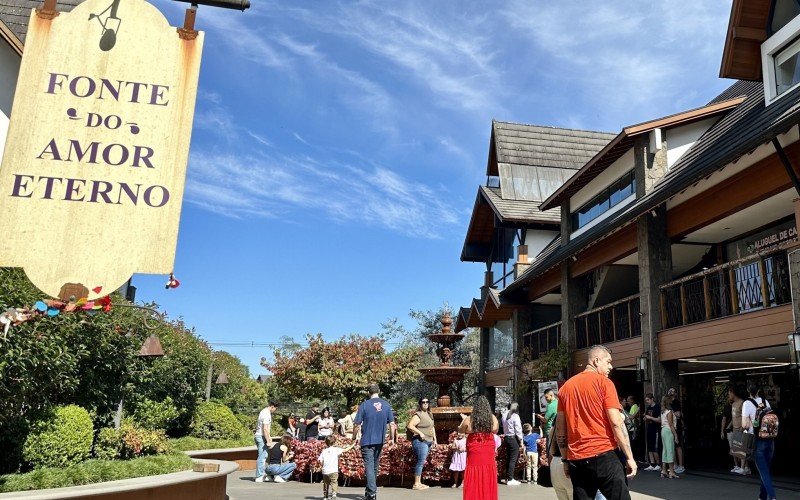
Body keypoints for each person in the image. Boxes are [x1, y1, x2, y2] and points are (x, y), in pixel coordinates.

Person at [556, 345, 636, 500]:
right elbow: (616, 423)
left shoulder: (566, 388)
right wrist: (629, 457)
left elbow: (561, 429)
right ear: (597, 361)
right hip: (604, 454)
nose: (611, 366)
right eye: (608, 362)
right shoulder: (604, 383)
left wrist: (565, 460)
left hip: (577, 459)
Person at [353, 383, 397, 500]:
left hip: (367, 441)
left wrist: (354, 437)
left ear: (369, 392)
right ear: (379, 391)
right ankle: (370, 492)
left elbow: (357, 425)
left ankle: (372, 492)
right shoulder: (386, 405)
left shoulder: (364, 405)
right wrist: (392, 439)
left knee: (369, 466)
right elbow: (392, 424)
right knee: (374, 466)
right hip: (380, 441)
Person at [458, 395, 499, 500]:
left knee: (473, 471)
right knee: (488, 470)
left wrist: (464, 421)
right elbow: (495, 429)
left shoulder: (469, 419)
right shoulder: (492, 418)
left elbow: (461, 430)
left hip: (474, 447)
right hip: (488, 446)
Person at [742, 385, 776, 500]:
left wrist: (748, 424)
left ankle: (773, 497)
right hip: (770, 440)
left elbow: (744, 425)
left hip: (758, 441)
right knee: (765, 470)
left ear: (748, 391)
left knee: (764, 472)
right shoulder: (765, 401)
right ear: (758, 391)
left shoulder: (747, 403)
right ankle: (762, 497)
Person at [406, 396, 437, 490]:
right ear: (420, 404)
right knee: (420, 461)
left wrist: (435, 440)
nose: (425, 403)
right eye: (423, 402)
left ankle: (419, 483)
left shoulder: (429, 414)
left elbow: (432, 427)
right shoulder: (418, 414)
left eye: (427, 402)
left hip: (428, 441)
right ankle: (416, 484)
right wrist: (420, 433)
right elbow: (410, 425)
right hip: (420, 441)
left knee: (422, 461)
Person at [318, 435, 356, 500]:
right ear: (334, 442)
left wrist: (321, 466)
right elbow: (345, 450)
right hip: (333, 470)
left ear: (326, 442)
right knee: (334, 482)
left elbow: (319, 460)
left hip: (325, 470)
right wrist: (353, 444)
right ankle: (334, 494)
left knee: (326, 483)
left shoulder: (324, 451)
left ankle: (325, 496)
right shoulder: (336, 450)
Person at [726, 385, 748, 475]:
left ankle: (743, 468)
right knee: (737, 449)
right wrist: (729, 426)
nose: (728, 395)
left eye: (729, 393)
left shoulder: (741, 403)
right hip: (734, 429)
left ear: (733, 393)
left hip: (741, 429)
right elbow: (733, 417)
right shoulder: (733, 404)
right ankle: (745, 467)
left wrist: (742, 428)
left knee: (742, 449)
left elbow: (744, 416)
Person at [254, 401, 278, 482]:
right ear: (272, 406)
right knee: (262, 456)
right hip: (261, 437)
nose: (275, 410)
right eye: (275, 408)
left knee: (264, 455)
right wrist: (268, 441)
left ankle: (263, 474)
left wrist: (269, 437)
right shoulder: (266, 414)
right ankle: (259, 476)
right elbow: (265, 428)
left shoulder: (263, 411)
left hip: (260, 436)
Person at [501, 402, 523, 485]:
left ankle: (507, 477)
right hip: (513, 438)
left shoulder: (504, 414)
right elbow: (518, 429)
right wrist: (521, 441)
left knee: (509, 458)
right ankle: (510, 479)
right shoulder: (515, 416)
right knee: (513, 459)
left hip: (506, 437)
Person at [659, 395, 679, 479]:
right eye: (671, 399)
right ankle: (671, 471)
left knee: (665, 450)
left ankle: (664, 470)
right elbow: (671, 424)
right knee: (670, 450)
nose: (672, 400)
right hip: (668, 431)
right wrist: (675, 435)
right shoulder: (669, 412)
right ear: (668, 401)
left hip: (663, 430)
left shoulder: (663, 411)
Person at [667, 387, 685, 474]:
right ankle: (675, 465)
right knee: (672, 446)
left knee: (678, 445)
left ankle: (681, 465)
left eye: (673, 391)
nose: (671, 392)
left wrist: (671, 413)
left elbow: (678, 414)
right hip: (671, 426)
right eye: (670, 391)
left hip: (677, 426)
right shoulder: (668, 403)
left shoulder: (676, 402)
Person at [642, 393, 661, 471]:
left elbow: (659, 420)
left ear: (652, 399)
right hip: (649, 429)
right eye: (646, 400)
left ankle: (658, 464)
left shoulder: (657, 407)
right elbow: (646, 417)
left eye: (648, 400)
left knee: (655, 447)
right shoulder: (648, 408)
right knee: (649, 447)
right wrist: (645, 418)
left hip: (655, 429)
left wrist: (650, 417)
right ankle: (652, 464)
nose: (647, 401)